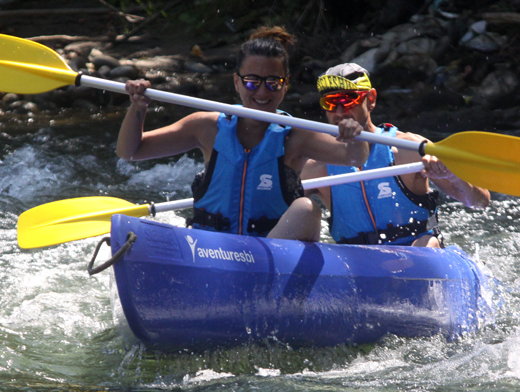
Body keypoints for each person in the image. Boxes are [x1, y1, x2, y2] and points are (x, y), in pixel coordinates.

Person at [116, 27, 369, 242]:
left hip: (272, 254)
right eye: (251, 82)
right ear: (237, 82)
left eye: (273, 83)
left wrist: (354, 136)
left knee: (307, 208)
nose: (262, 92)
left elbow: (354, 159)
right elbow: (130, 151)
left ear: (285, 84)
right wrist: (137, 107)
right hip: (213, 248)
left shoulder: (296, 136)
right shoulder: (207, 127)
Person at [301, 63, 490, 248]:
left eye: (349, 100)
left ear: (371, 99)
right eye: (331, 103)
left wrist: (451, 174)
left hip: (418, 255)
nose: (340, 112)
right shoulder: (316, 167)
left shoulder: (409, 150)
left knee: (427, 244)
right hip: (357, 264)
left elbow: (480, 202)